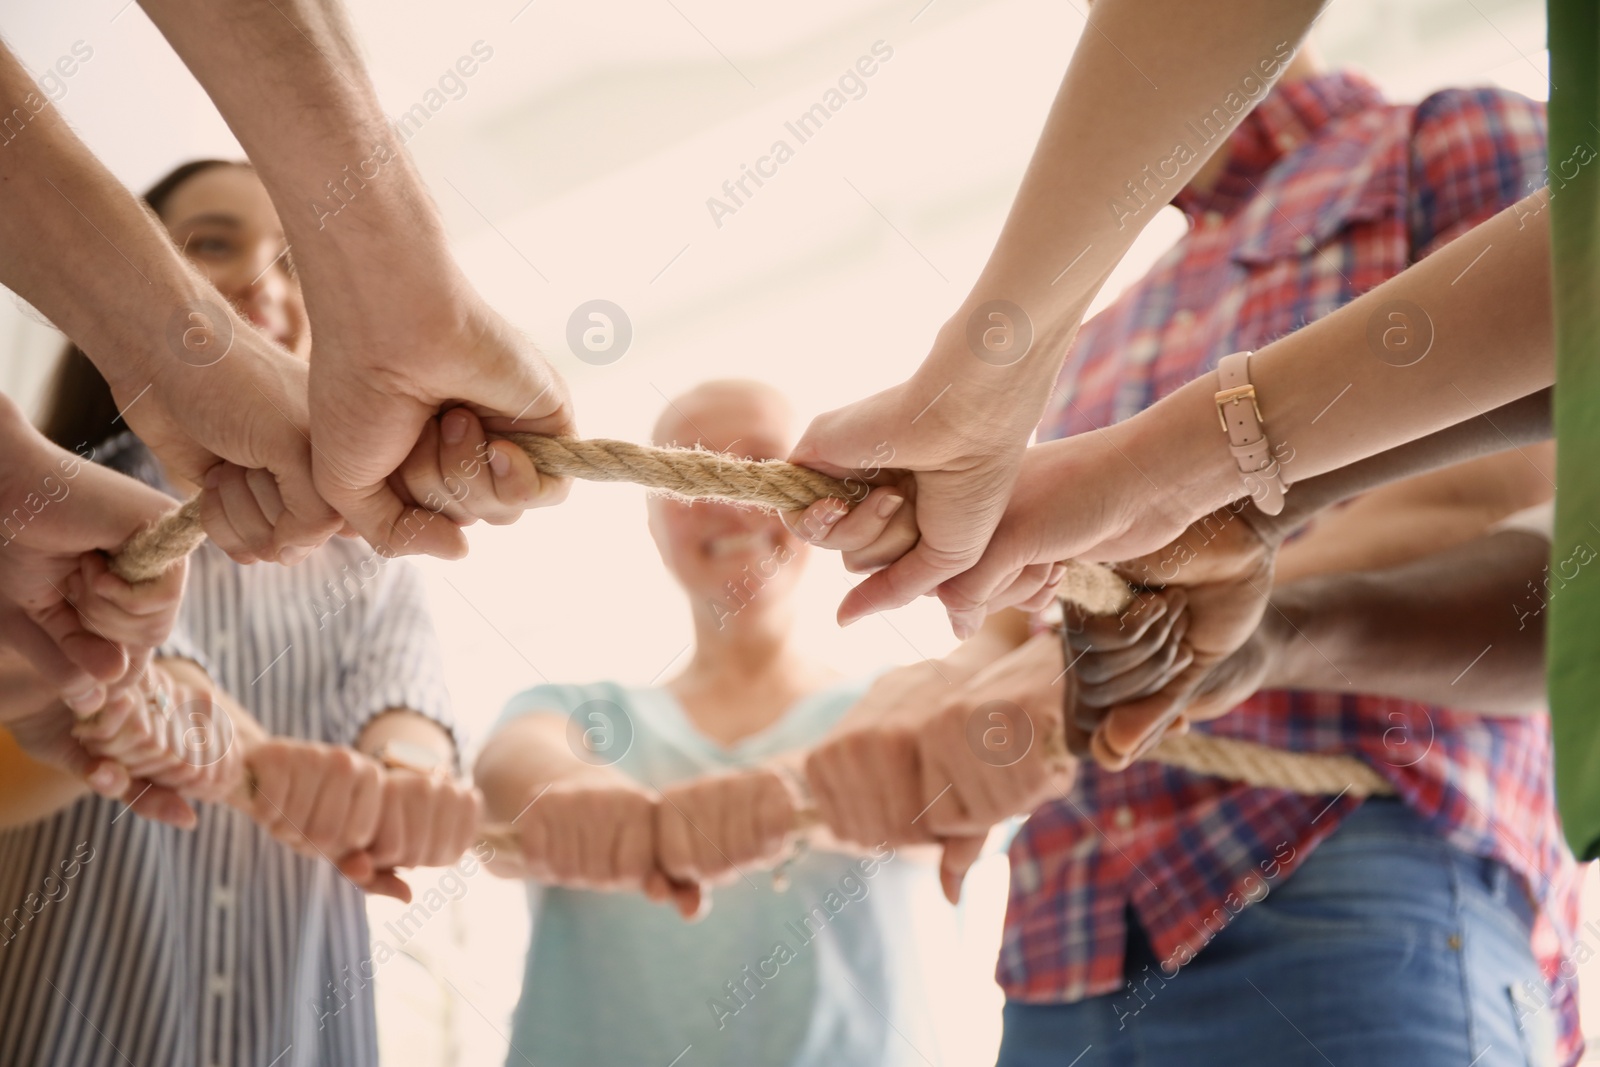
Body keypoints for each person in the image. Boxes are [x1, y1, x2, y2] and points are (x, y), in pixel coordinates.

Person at [799, 52, 1582, 1067]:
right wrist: (924, 711)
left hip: (1349, 867)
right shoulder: (1101, 324)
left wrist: (1135, 645)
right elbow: (1029, 613)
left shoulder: (1444, 144)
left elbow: (1496, 499)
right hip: (1062, 943)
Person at [0, 159, 484, 1067]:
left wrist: (396, 781)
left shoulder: (374, 566)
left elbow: (409, 714)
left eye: (297, 261)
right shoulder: (38, 521)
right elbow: (137, 683)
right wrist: (210, 734)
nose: (263, 281)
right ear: (127, 287)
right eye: (214, 244)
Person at [474, 380, 963, 1067]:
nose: (733, 495)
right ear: (652, 524)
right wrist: (584, 807)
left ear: (823, 504)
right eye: (694, 469)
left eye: (762, 466)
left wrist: (788, 794)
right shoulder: (566, 711)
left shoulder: (901, 702)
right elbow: (510, 776)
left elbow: (952, 774)